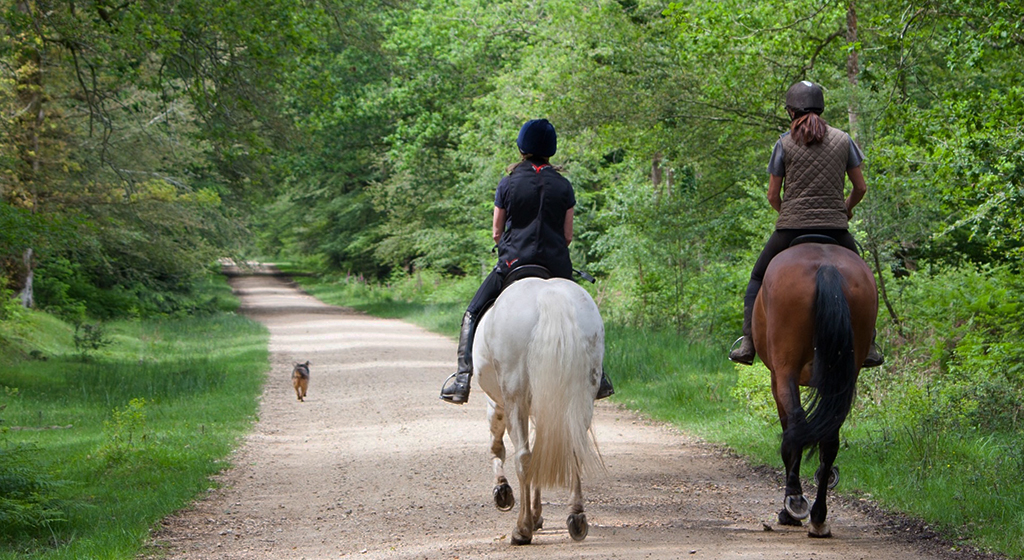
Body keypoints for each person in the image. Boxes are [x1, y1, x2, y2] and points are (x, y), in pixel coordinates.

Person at [440, 118, 614, 404]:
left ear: (521, 147)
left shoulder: (508, 183)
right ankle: (599, 377)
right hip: (556, 266)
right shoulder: (564, 186)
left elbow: (497, 231)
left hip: (513, 264)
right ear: (551, 151)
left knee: (472, 312)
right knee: (582, 313)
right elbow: (567, 235)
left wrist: (509, 247)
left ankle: (461, 379)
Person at [729, 81, 884, 368]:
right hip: (836, 229)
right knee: (865, 281)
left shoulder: (784, 143)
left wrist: (787, 212)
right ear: (821, 108)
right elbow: (860, 187)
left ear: (791, 111)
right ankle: (871, 343)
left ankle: (748, 343)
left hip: (791, 230)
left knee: (757, 279)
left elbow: (772, 194)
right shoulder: (843, 140)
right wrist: (845, 209)